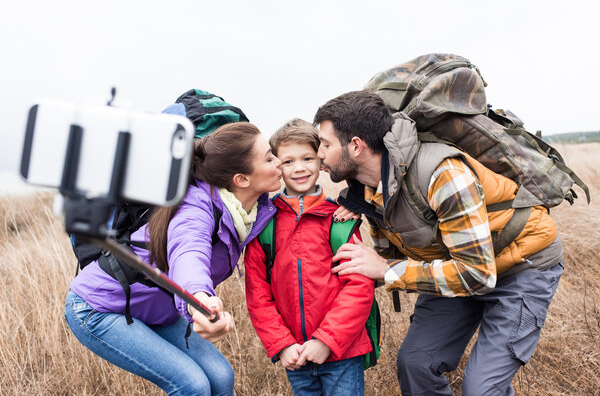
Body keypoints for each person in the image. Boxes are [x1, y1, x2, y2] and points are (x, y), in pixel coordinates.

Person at [313, 90, 563, 396]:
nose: (318, 154)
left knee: (482, 389)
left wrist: (385, 269)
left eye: (325, 144)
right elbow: (382, 260)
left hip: (520, 266)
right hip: (455, 265)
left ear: (355, 146)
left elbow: (476, 275)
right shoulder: (366, 192)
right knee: (415, 363)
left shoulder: (443, 175)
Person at [65, 95, 282, 395]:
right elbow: (187, 252)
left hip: (157, 309)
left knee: (221, 377)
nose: (279, 162)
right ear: (242, 179)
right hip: (100, 307)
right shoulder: (195, 208)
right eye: (270, 158)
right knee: (192, 385)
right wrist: (201, 297)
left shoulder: (253, 209)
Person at [244, 118, 374, 395]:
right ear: (276, 165)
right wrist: (282, 344)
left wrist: (326, 340)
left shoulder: (339, 219)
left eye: (307, 158)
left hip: (341, 353)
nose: (299, 168)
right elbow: (258, 295)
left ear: (321, 162)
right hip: (295, 355)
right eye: (288, 161)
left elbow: (359, 288)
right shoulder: (265, 223)